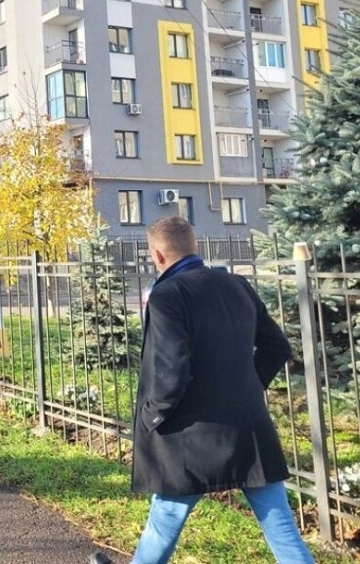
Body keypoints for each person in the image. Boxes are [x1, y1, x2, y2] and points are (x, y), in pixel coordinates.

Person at [91, 217, 313, 564]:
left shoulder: (167, 295)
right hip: (247, 429)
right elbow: (277, 348)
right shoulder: (237, 285)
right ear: (194, 246)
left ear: (158, 256)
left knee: (164, 521)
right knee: (281, 526)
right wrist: (247, 386)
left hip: (189, 436)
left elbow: (172, 368)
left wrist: (152, 414)